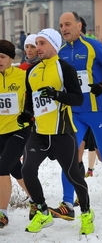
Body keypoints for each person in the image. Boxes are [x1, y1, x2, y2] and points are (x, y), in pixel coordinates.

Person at [48, 12, 102, 221]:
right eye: (61, 25)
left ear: (79, 26)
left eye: (67, 24)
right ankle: (67, 203)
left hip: (98, 111)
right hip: (74, 113)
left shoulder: (92, 47)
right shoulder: (59, 52)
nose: (64, 29)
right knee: (70, 158)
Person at [19, 28, 94, 234]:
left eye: (42, 43)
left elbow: (77, 99)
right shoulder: (31, 72)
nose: (37, 48)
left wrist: (57, 95)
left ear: (54, 45)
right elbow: (30, 101)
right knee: (27, 170)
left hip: (62, 132)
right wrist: (26, 115)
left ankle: (87, 214)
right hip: (39, 133)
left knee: (73, 176)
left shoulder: (64, 68)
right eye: (36, 44)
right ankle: (43, 212)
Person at [0, 40, 30, 229]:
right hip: (0, 131)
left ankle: (2, 214)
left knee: (2, 167)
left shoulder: (22, 76)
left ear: (12, 57)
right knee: (15, 169)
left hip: (19, 129)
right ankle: (38, 201)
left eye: (2, 57)